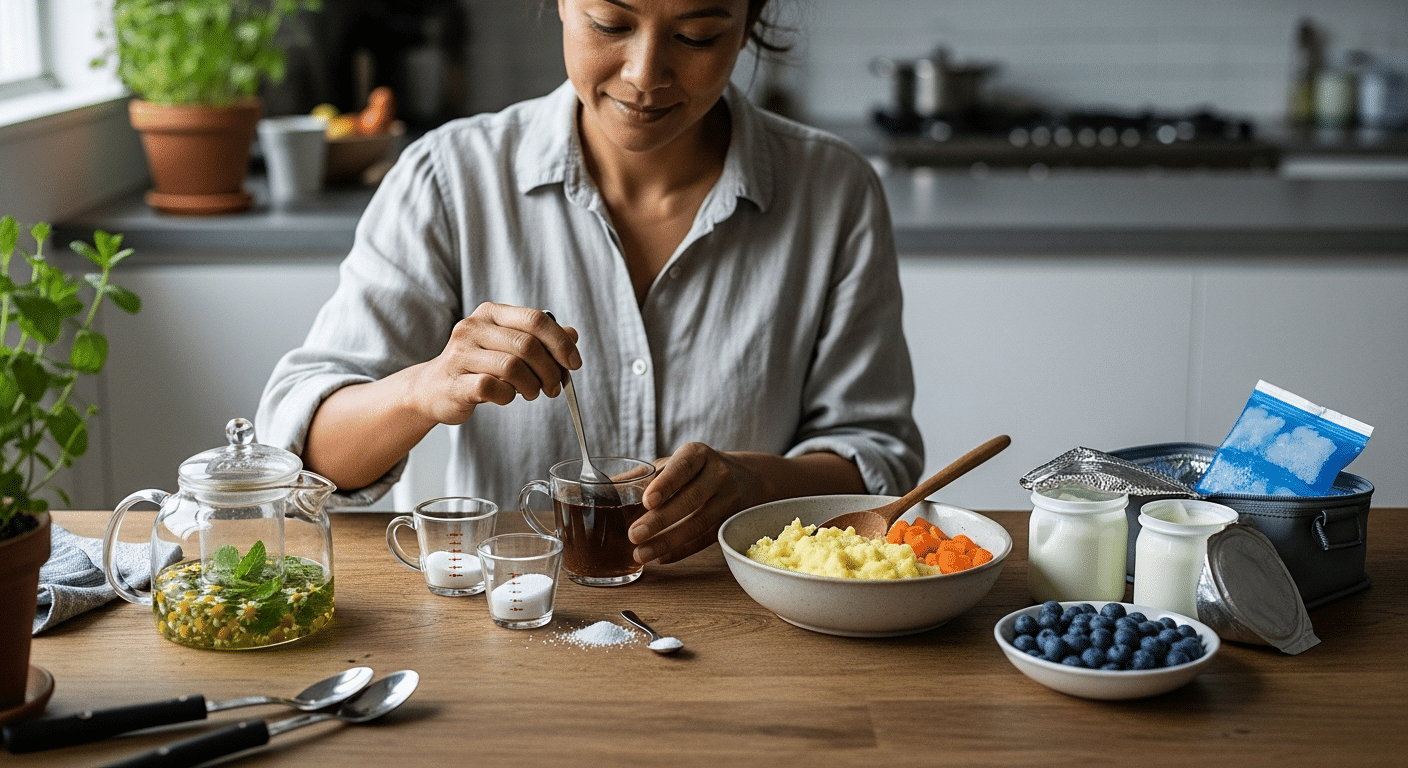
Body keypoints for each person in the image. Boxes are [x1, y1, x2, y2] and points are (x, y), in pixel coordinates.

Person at [256, 0, 923, 566]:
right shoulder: (448, 179)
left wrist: (753, 483)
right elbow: (307, 457)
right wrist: (425, 386)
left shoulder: (834, 191)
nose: (644, 75)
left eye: (696, 36)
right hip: (514, 630)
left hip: (756, 633)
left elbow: (875, 461)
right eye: (609, 23)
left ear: (748, 25)